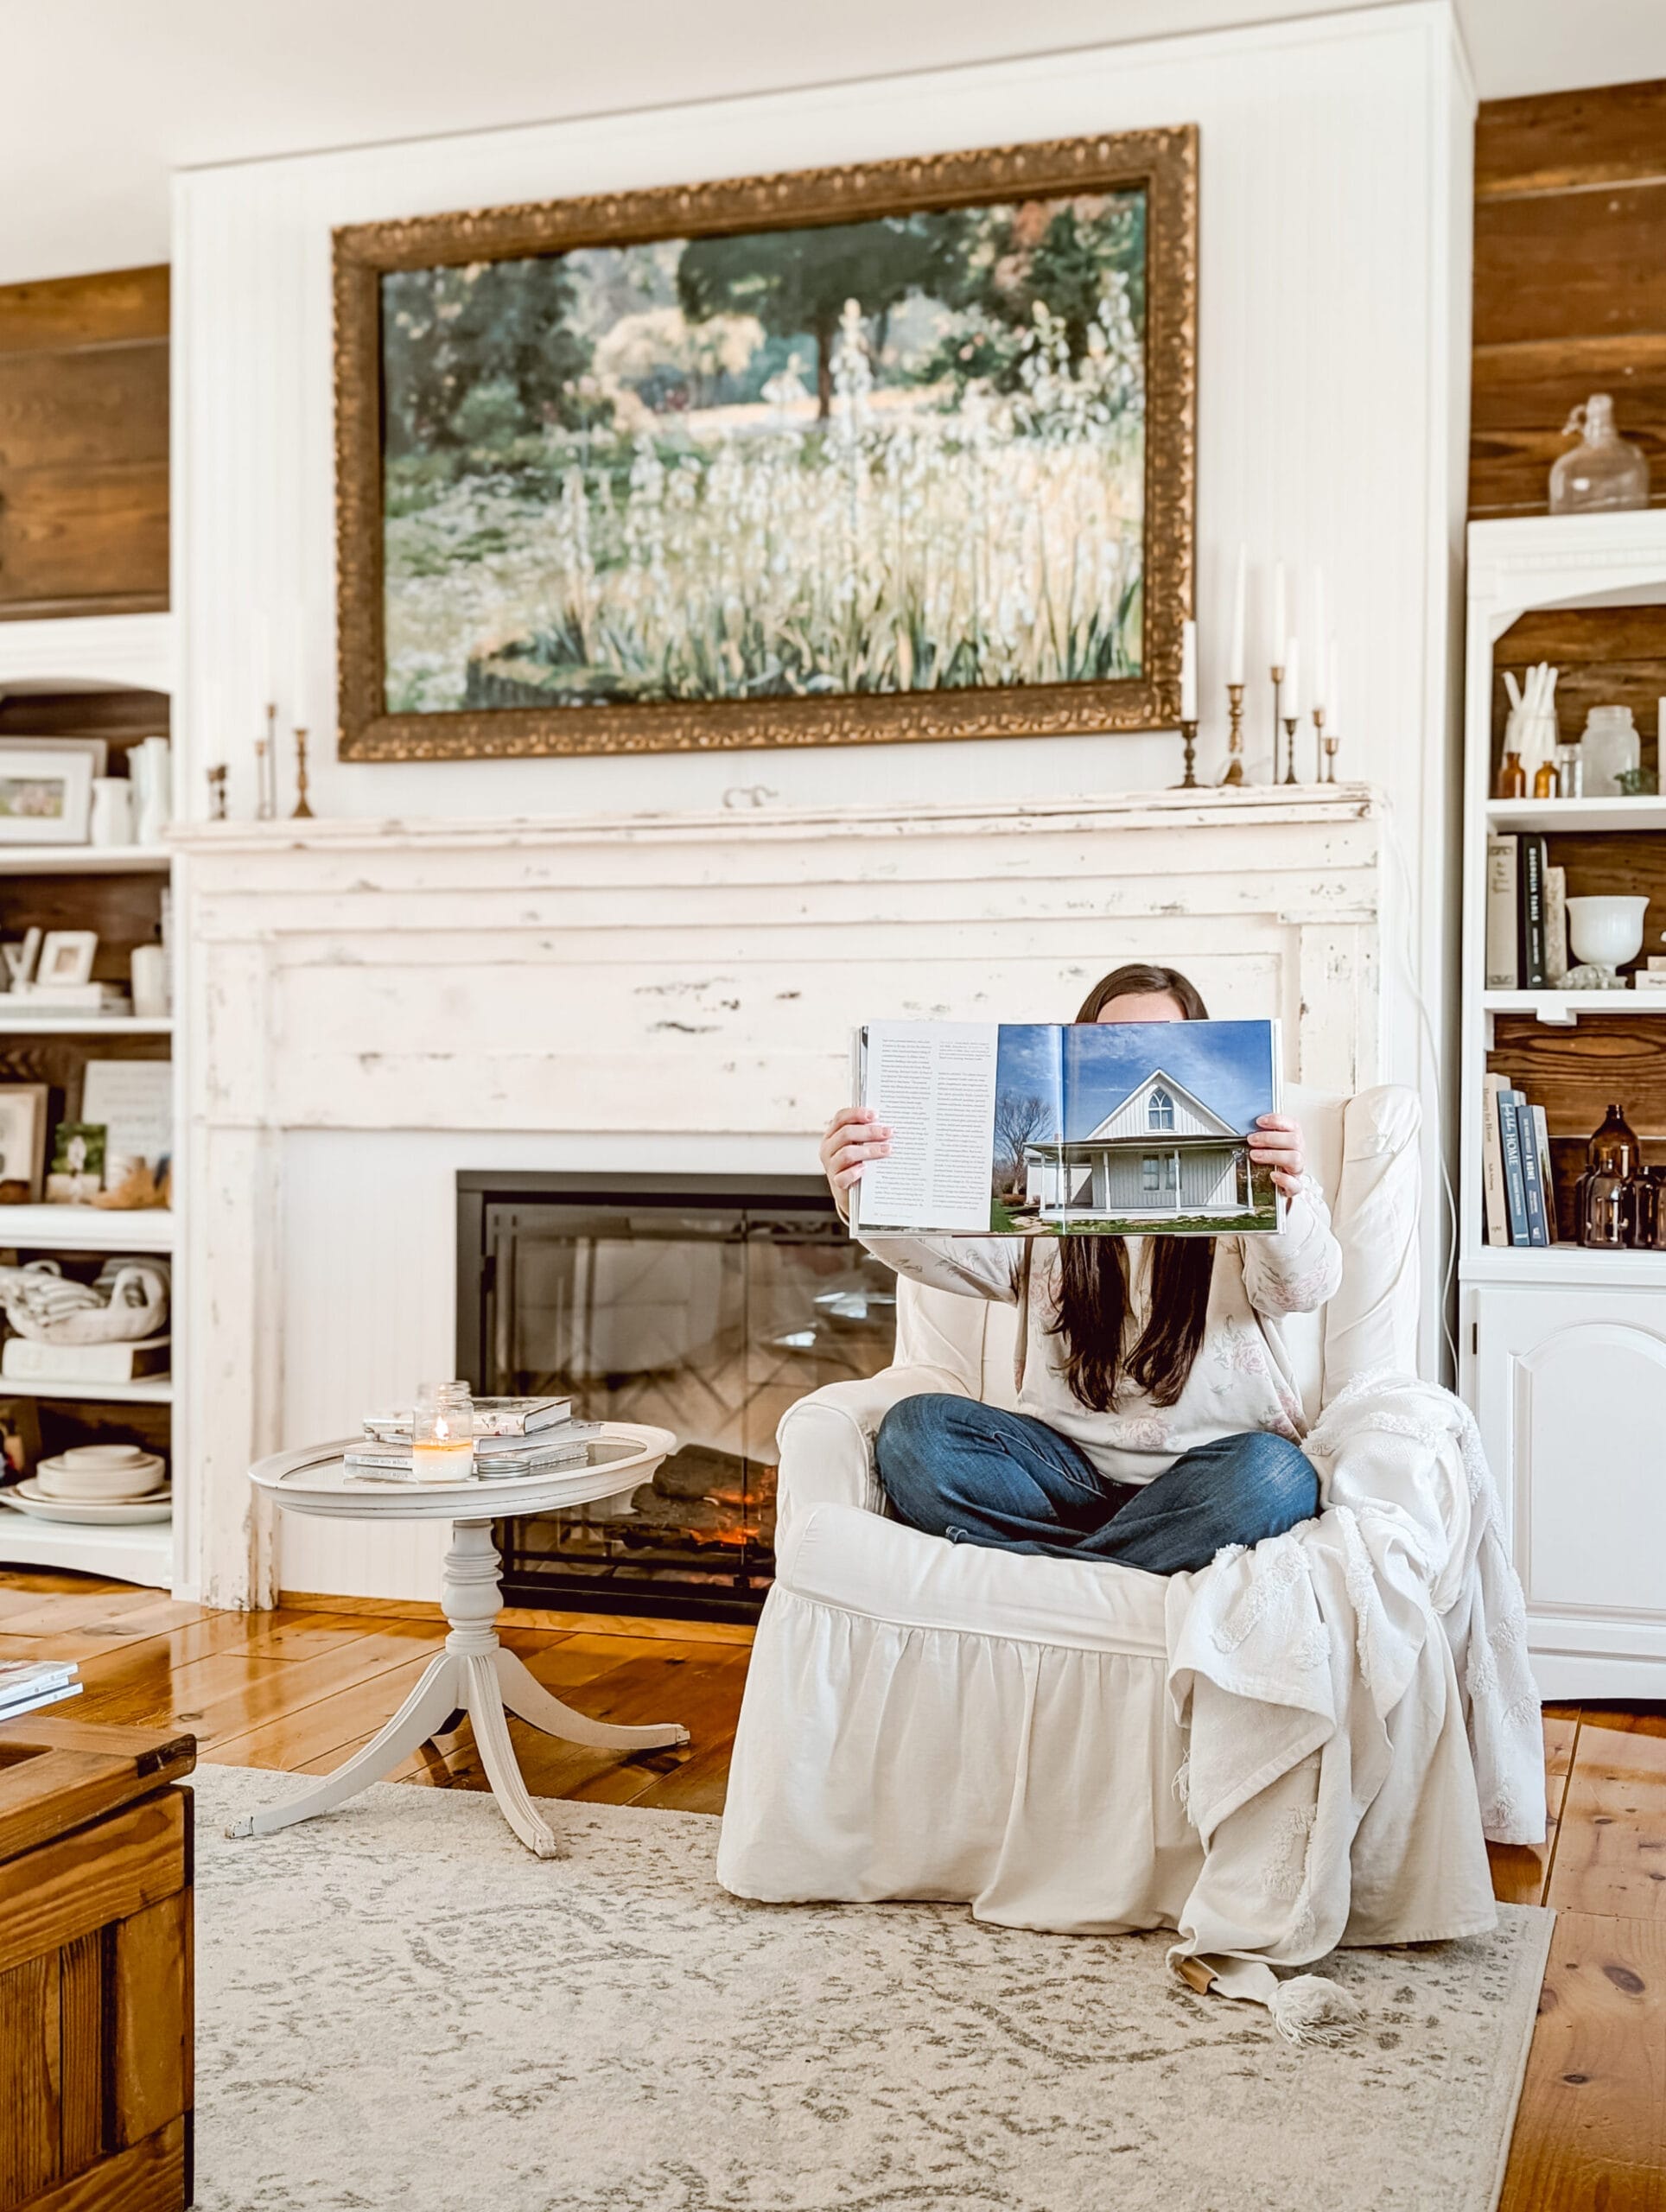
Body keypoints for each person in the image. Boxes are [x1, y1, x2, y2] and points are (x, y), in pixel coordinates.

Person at [817, 963, 1341, 1575]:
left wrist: (1283, 1195)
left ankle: (1051, 1573)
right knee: (915, 1432)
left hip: (1208, 1475)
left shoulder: (1263, 1192)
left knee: (1276, 1477)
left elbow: (1302, 1288)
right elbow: (942, 1259)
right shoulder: (1050, 1214)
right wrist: (865, 1193)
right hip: (1060, 1475)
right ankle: (1125, 1568)